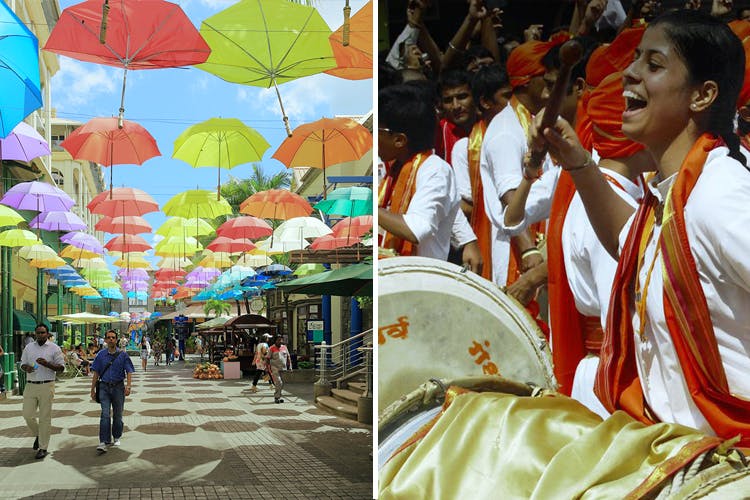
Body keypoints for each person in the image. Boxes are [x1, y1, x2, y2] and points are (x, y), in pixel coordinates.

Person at [538, 10, 750, 443]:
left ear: (702, 95)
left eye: (653, 65)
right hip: (680, 448)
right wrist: (578, 161)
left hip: (726, 461)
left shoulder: (719, 194)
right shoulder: (673, 192)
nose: (628, 75)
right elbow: (630, 240)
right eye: (635, 60)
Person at [378, 83, 477, 263]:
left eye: (376, 132)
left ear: (399, 140)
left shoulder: (434, 169)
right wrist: (468, 240)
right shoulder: (396, 167)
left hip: (418, 279)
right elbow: (448, 206)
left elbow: (416, 229)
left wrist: (369, 209)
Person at [19, 323, 64, 460]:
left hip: (47, 385)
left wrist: (47, 364)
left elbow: (61, 368)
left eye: (43, 332)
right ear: (35, 334)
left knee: (45, 418)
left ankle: (43, 447)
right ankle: (39, 434)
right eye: (38, 333)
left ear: (47, 333)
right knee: (27, 414)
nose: (40, 335)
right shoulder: (29, 347)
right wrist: (25, 367)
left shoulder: (54, 348)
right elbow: (22, 363)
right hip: (31, 384)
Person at [90, 329, 134, 454]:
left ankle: (117, 435)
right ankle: (103, 441)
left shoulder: (123, 355)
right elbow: (96, 373)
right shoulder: (101, 355)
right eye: (108, 337)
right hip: (104, 387)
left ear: (116, 340)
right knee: (105, 414)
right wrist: (92, 389)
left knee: (118, 414)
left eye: (113, 337)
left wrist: (129, 386)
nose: (111, 339)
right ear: (105, 340)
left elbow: (129, 370)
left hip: (118, 387)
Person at [266, 336, 291, 404]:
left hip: (283, 368)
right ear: (275, 341)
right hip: (274, 367)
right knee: (279, 382)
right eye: (278, 340)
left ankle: (279, 396)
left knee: (281, 383)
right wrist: (267, 368)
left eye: (281, 340)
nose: (280, 341)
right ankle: (276, 397)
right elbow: (267, 358)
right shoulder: (271, 348)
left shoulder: (284, 347)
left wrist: (290, 366)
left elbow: (288, 357)